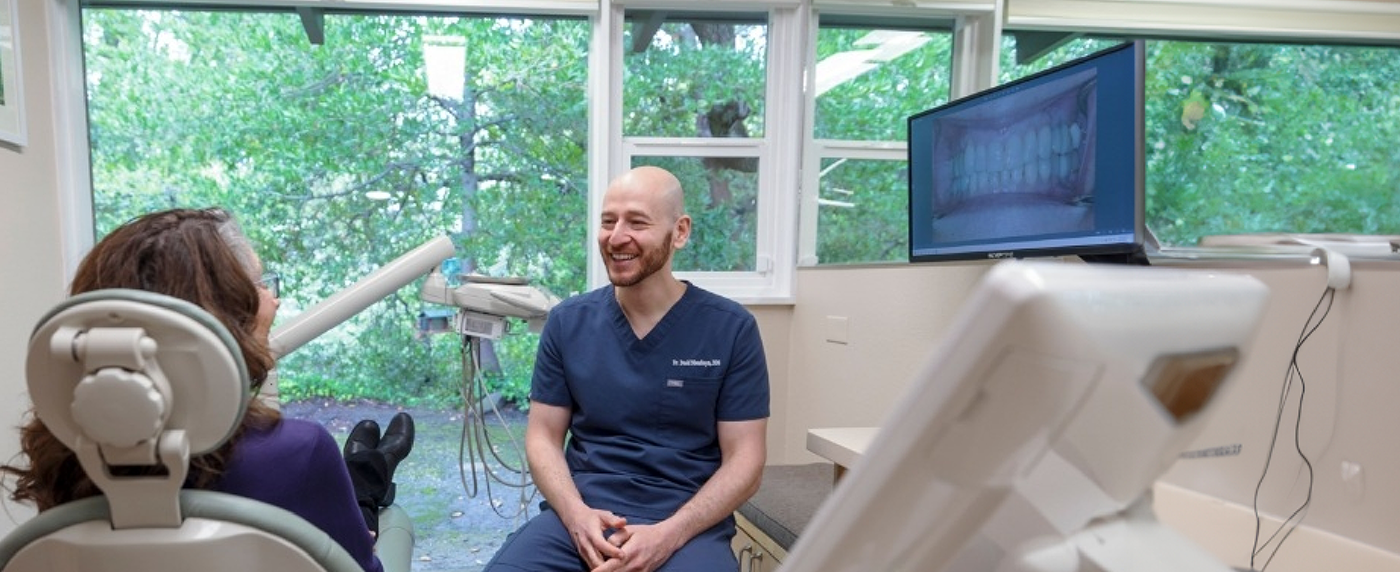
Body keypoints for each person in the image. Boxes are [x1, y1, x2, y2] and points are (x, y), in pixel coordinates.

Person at [0, 207, 412, 572]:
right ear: (224, 315)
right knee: (393, 524)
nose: (273, 301)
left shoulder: (62, 452)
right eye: (260, 284)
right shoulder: (295, 451)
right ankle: (367, 488)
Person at [484, 166, 770, 572]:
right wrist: (576, 515)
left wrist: (668, 534)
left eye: (637, 222)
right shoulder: (568, 323)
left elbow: (746, 460)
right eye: (608, 222)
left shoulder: (730, 329)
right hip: (580, 518)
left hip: (687, 525)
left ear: (680, 232)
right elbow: (543, 438)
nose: (617, 237)